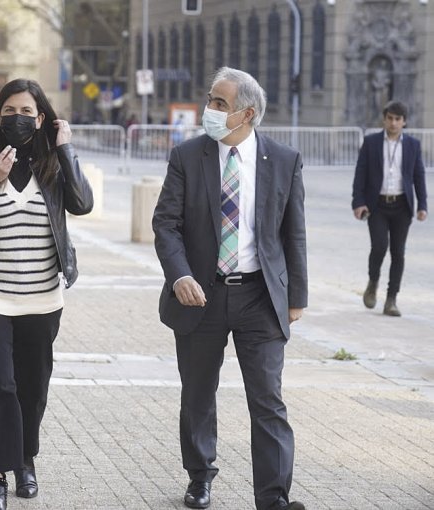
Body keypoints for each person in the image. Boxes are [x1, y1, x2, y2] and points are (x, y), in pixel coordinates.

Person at [151, 67, 307, 510]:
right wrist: (179, 275)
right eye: (210, 99)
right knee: (198, 392)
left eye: (220, 103)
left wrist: (297, 297)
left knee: (269, 399)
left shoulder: (283, 160)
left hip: (261, 296)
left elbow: (294, 233)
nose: (210, 110)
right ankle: (200, 476)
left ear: (247, 113)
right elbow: (166, 223)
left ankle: (273, 497)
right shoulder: (187, 157)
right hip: (202, 293)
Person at [0, 78, 93, 510]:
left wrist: (65, 148)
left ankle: (25, 458)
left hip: (41, 298)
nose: (16, 118)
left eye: (25, 111)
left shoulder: (54, 164)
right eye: (8, 111)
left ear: (40, 117)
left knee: (32, 388)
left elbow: (83, 204)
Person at [352, 100, 428, 316]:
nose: (393, 123)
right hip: (377, 205)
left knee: (398, 253)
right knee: (379, 246)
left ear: (404, 122)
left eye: (398, 119)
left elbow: (418, 176)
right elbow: (360, 174)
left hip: (402, 206)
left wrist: (422, 204)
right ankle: (373, 281)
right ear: (384, 119)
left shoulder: (413, 145)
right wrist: (358, 202)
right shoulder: (371, 142)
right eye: (390, 118)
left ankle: (391, 299)